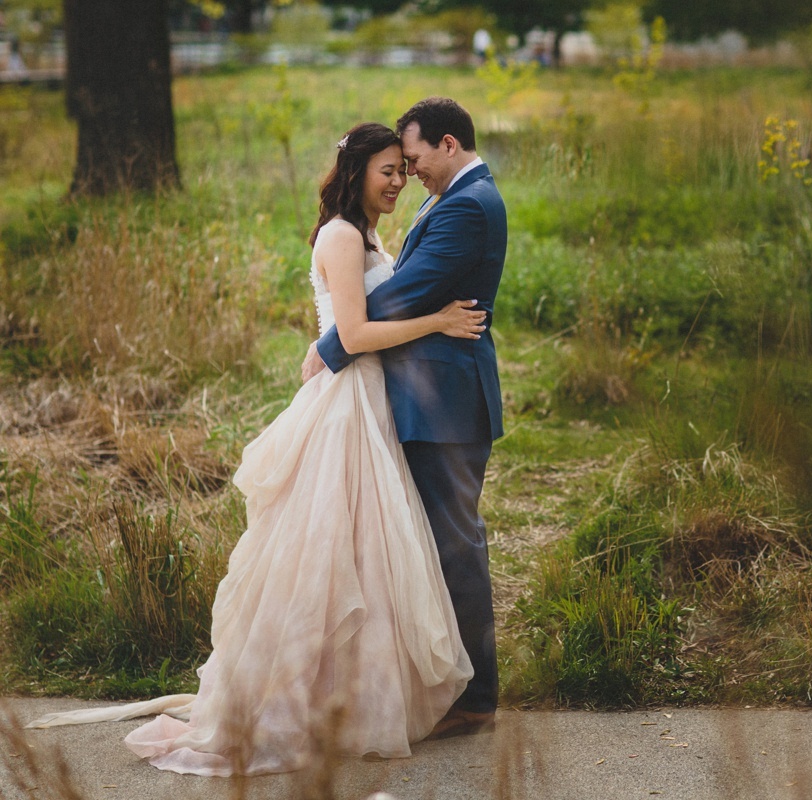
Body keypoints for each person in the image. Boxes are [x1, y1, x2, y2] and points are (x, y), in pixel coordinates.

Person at [25, 122, 484, 775]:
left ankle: (353, 697)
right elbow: (351, 332)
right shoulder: (343, 235)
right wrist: (439, 321)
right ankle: (302, 700)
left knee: (367, 554)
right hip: (346, 404)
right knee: (330, 553)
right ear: (356, 171)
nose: (398, 181)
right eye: (388, 169)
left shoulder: (368, 234)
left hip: (369, 402)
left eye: (402, 171)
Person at [302, 96, 506, 739]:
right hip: (418, 397)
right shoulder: (447, 198)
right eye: (394, 165)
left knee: (454, 546)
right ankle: (412, 682)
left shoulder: (468, 204)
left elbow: (404, 290)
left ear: (448, 144)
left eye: (412, 160)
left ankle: (475, 697)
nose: (408, 173)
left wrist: (329, 344)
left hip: (445, 402)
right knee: (410, 545)